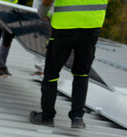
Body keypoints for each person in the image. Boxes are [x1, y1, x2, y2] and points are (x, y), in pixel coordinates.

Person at [30, 0, 108, 129]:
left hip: (64, 26)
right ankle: (77, 117)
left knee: (51, 73)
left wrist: (42, 12)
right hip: (91, 26)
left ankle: (47, 116)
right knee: (82, 74)